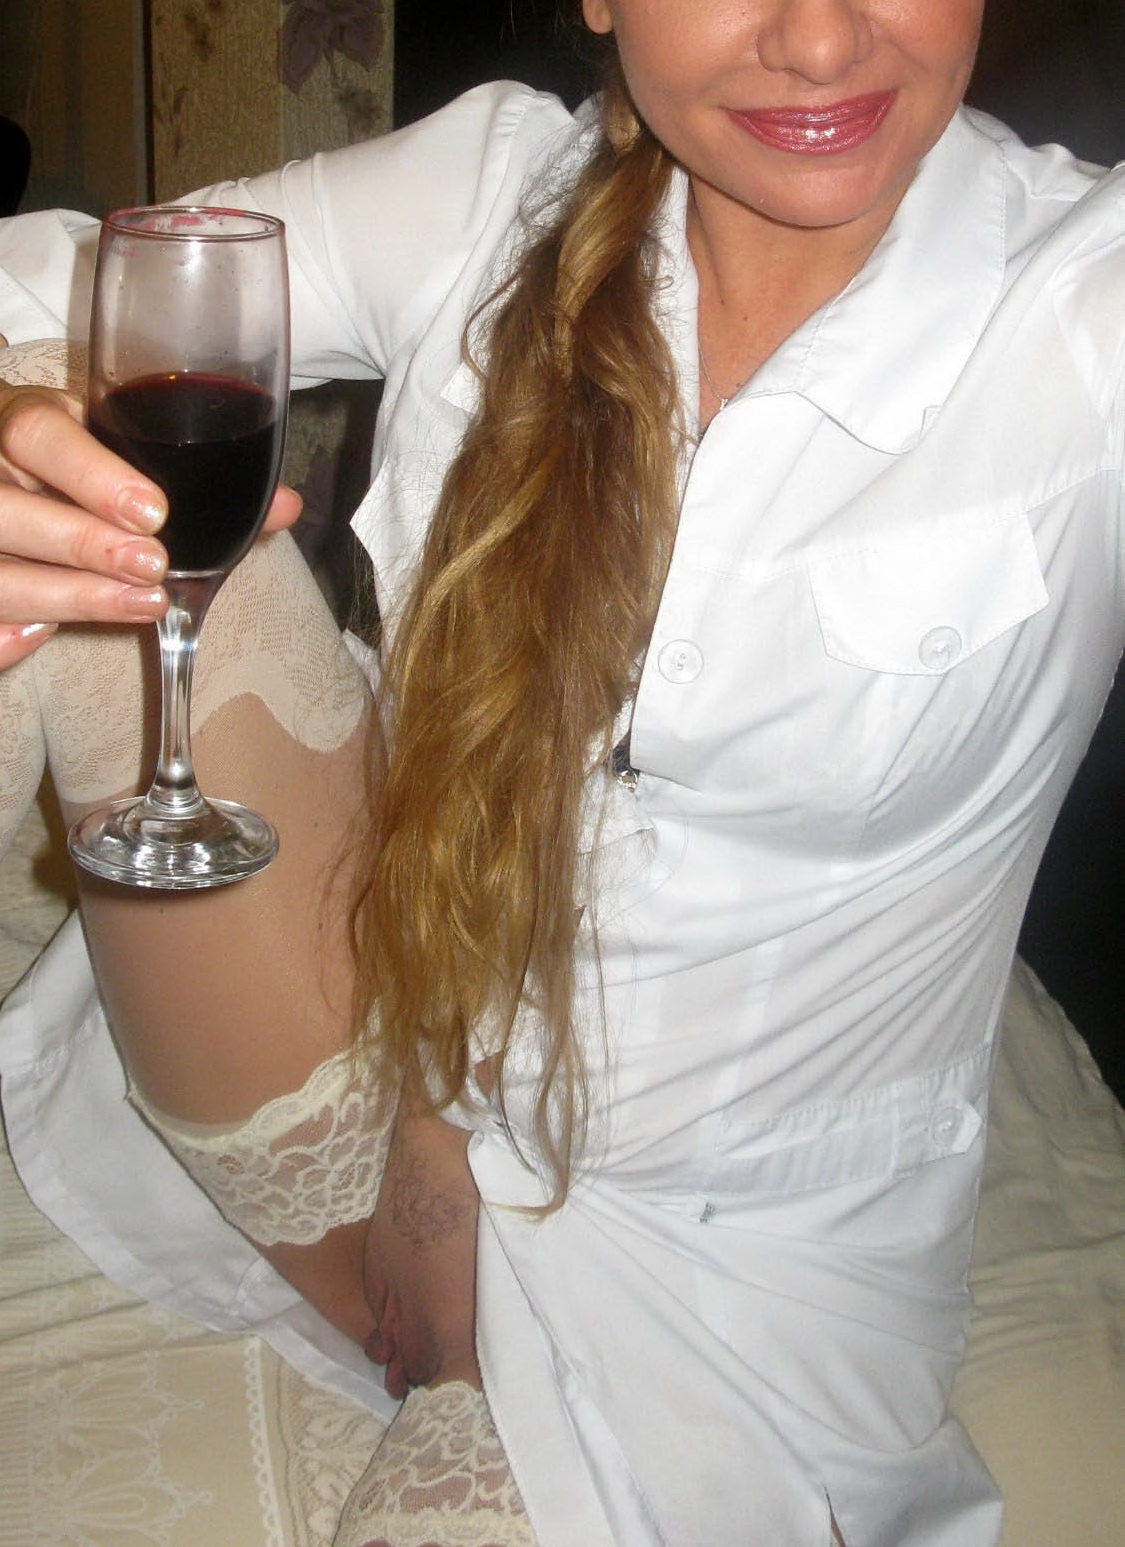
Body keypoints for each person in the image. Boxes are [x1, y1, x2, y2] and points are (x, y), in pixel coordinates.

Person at [0, 1, 1123, 1543]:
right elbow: (48, 286)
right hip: (354, 1015)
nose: (819, 44)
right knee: (71, 435)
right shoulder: (486, 197)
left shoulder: (1078, 309)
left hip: (720, 1282)